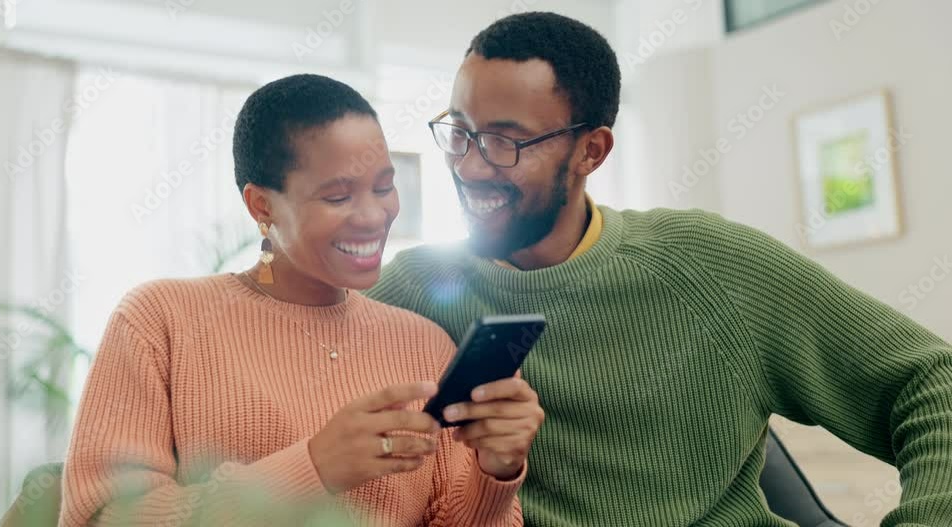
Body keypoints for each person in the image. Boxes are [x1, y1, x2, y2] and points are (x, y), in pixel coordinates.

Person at [366, 11, 952, 526]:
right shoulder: (410, 290)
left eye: (506, 142)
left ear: (591, 151)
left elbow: (931, 382)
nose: (470, 166)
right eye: (460, 133)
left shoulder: (712, 266)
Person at [57, 74, 544, 527]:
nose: (374, 216)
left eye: (384, 186)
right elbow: (103, 516)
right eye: (337, 197)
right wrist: (313, 468)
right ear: (261, 206)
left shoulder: (425, 344)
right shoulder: (160, 320)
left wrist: (494, 471)